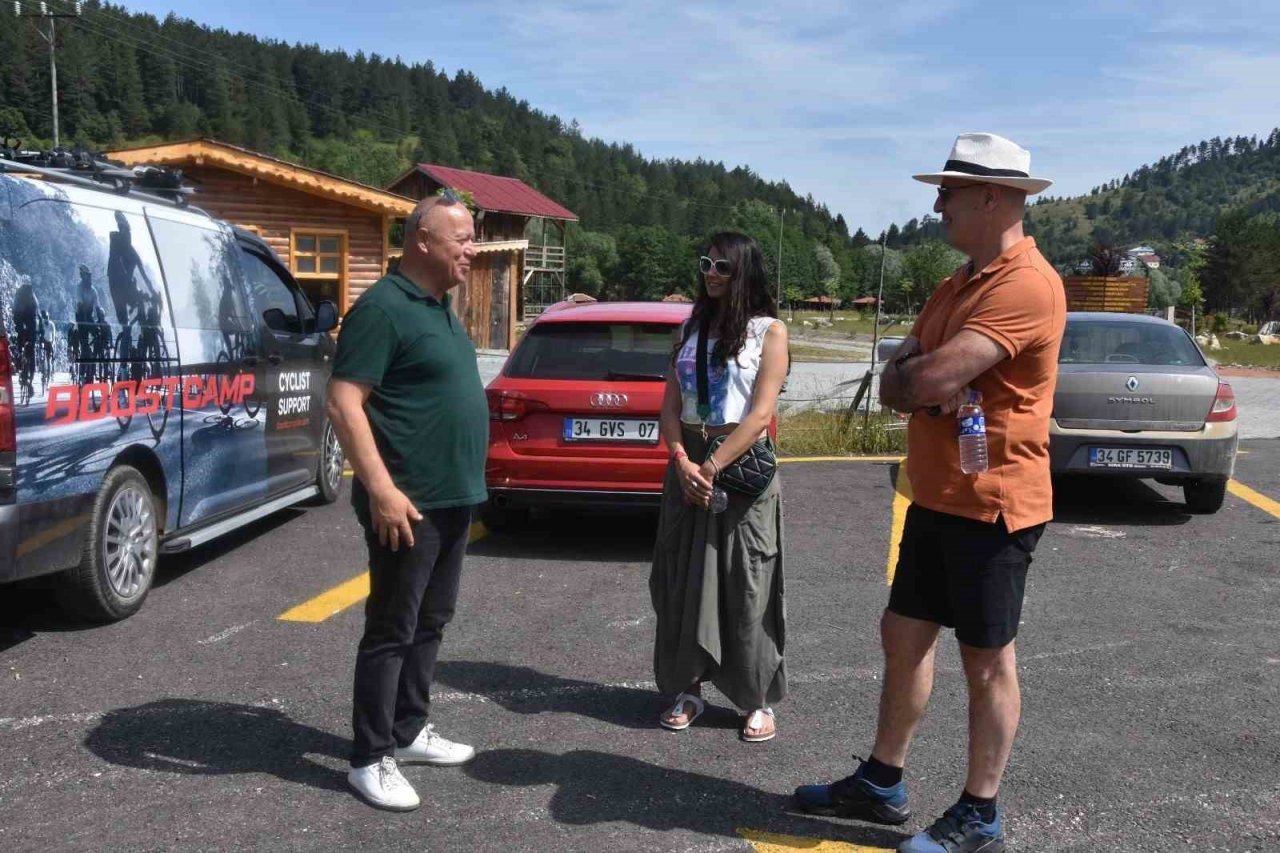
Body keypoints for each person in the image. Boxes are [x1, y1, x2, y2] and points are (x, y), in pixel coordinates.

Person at [794, 133, 1067, 853]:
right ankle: (883, 781)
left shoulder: (1026, 283)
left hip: (995, 504)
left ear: (992, 197)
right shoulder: (958, 282)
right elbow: (899, 376)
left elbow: (927, 378)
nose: (937, 201)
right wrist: (915, 379)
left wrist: (919, 379)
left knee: (987, 660)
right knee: (904, 633)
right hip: (937, 495)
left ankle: (981, 813)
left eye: (948, 190)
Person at [325, 190, 487, 812]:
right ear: (423, 239)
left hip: (452, 499)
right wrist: (382, 490)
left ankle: (409, 730)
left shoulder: (439, 307)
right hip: (407, 503)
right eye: (463, 239)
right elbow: (344, 402)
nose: (472, 249)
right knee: (392, 629)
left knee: (430, 621)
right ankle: (369, 758)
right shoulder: (383, 309)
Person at [650, 231, 790, 743]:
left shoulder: (769, 332)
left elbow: (760, 414)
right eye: (706, 263)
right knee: (682, 583)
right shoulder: (687, 329)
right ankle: (687, 689)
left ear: (744, 273)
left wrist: (711, 468)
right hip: (689, 467)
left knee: (746, 584)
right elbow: (669, 405)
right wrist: (681, 459)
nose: (711, 272)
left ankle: (756, 699)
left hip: (741, 469)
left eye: (723, 267)